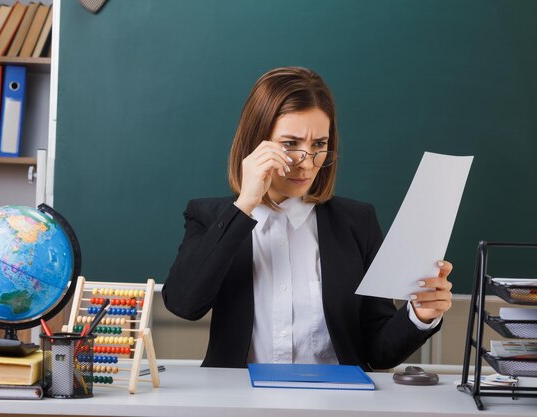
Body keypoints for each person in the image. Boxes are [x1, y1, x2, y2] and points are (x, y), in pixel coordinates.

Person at [162, 66, 453, 370]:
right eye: (290, 144)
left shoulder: (357, 222)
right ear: (256, 144)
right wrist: (245, 203)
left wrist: (419, 315)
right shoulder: (209, 217)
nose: (307, 164)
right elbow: (184, 305)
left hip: (335, 405)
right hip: (241, 404)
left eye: (319, 145)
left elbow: (377, 351)